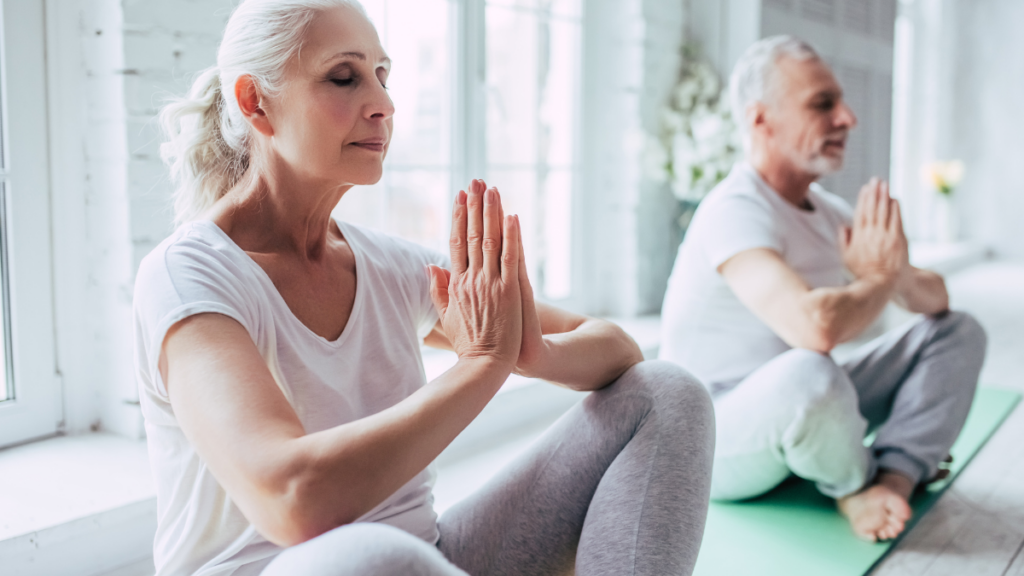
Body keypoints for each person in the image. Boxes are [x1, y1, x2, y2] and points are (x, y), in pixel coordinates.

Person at [133, 1, 715, 574]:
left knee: (666, 392)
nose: (383, 104)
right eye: (344, 77)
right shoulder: (190, 275)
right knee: (374, 558)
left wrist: (527, 348)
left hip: (426, 560)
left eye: (382, 77)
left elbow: (616, 348)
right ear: (254, 102)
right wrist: (483, 363)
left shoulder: (387, 266)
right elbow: (292, 502)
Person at [658, 35, 986, 542]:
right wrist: (878, 278)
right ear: (761, 119)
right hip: (710, 438)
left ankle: (892, 478)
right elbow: (815, 327)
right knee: (812, 369)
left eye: (841, 102)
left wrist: (893, 272)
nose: (848, 118)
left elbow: (935, 299)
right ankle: (852, 484)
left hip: (804, 405)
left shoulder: (830, 212)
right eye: (823, 104)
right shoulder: (734, 208)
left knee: (958, 331)